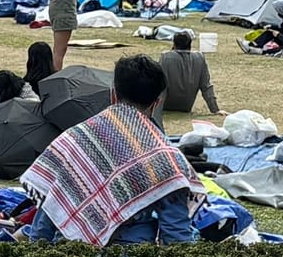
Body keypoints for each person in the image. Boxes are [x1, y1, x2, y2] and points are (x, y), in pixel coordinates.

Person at [22, 55, 202, 246]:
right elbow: (176, 234)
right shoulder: (164, 159)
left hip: (70, 252)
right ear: (156, 103)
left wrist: (37, 252)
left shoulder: (75, 139)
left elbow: (51, 208)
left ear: (113, 94)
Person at [160, 30, 221, 115]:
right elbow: (206, 87)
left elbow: (160, 85)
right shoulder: (199, 58)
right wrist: (215, 110)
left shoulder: (166, 57)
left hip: (166, 105)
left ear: (174, 44)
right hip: (186, 106)